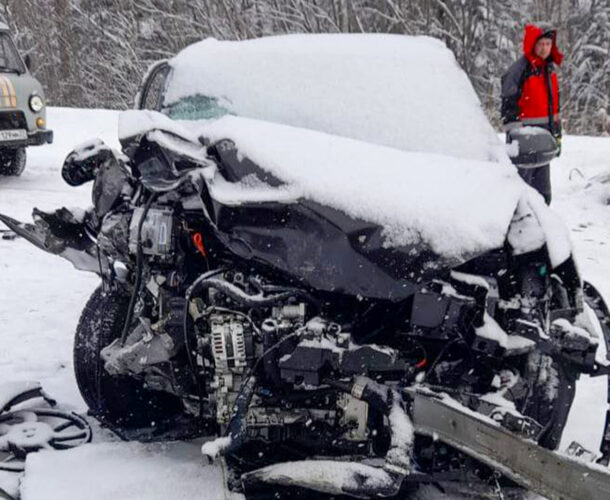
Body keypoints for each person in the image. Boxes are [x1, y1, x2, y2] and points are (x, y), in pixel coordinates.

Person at [501, 24, 563, 205]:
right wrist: (516, 136)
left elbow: (554, 108)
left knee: (542, 191)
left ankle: (542, 225)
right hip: (525, 140)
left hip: (545, 138)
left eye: (548, 44)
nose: (544, 48)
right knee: (522, 189)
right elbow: (508, 103)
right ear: (532, 45)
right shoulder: (520, 70)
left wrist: (557, 135)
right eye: (541, 44)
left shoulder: (549, 70)